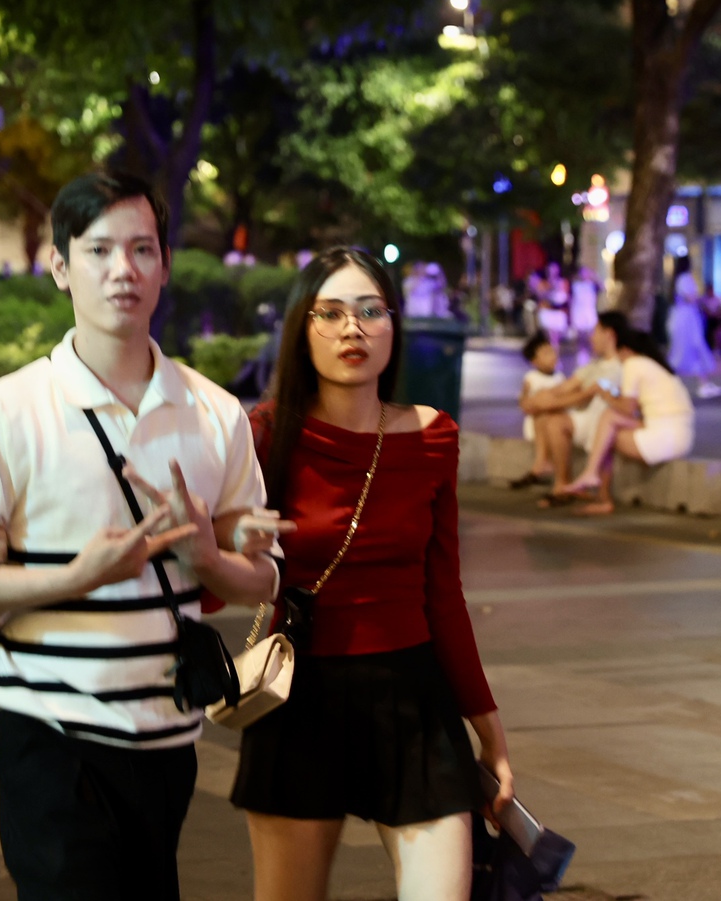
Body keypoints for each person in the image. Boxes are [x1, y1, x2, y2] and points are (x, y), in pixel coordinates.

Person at [0, 170, 284, 901]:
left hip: (168, 737)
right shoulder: (6, 412)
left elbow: (266, 578)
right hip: (52, 734)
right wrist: (78, 576)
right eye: (99, 250)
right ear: (60, 266)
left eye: (142, 249)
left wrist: (209, 557)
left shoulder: (215, 414)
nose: (124, 269)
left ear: (165, 265)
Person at [232, 246, 511, 901]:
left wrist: (490, 735)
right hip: (298, 696)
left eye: (370, 311)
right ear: (301, 329)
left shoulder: (432, 436)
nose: (351, 329)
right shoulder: (264, 434)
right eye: (329, 313)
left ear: (393, 324)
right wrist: (224, 547)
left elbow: (444, 595)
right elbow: (219, 586)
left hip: (414, 697)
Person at [554, 311, 695, 515]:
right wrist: (610, 394)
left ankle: (596, 482)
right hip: (676, 434)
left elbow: (627, 409)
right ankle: (593, 478)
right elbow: (632, 405)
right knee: (609, 421)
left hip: (664, 437)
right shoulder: (653, 367)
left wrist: (605, 394)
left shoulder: (633, 364)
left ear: (626, 350)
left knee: (608, 425)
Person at [515, 330, 567, 487]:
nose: (552, 356)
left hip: (552, 421)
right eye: (546, 353)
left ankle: (541, 466)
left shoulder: (560, 378)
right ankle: (542, 464)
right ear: (534, 361)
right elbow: (524, 402)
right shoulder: (531, 378)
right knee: (544, 412)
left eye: (552, 351)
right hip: (536, 423)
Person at [666, 270, 721, 396]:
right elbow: (689, 297)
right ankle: (702, 384)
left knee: (688, 352)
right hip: (686, 321)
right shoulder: (684, 279)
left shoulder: (679, 281)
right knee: (688, 350)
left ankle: (703, 383)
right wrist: (699, 299)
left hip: (685, 319)